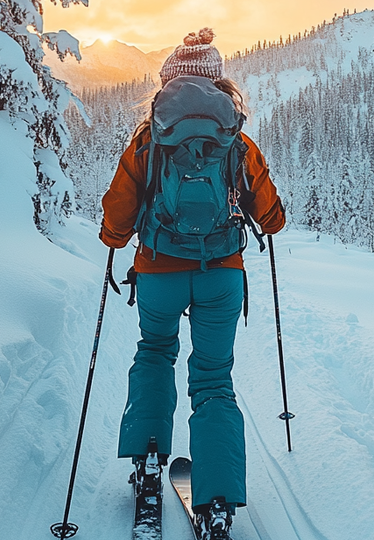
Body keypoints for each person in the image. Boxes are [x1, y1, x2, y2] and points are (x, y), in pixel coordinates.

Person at [99, 27, 285, 538]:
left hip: (158, 270)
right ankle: (219, 499)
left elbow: (118, 212)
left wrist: (115, 238)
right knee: (213, 378)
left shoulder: (149, 138)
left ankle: (149, 460)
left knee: (155, 352)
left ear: (168, 82)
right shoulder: (236, 140)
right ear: (219, 84)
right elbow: (271, 216)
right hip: (221, 276)